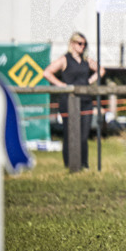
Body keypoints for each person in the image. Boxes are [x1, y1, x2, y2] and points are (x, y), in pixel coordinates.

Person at [43, 32, 104, 169]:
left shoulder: (86, 60)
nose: (82, 46)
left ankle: (84, 164)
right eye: (79, 43)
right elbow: (47, 72)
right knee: (70, 134)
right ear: (72, 44)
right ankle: (69, 165)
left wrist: (88, 81)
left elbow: (101, 70)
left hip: (86, 101)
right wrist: (62, 86)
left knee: (84, 135)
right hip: (68, 101)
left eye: (84, 44)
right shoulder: (65, 59)